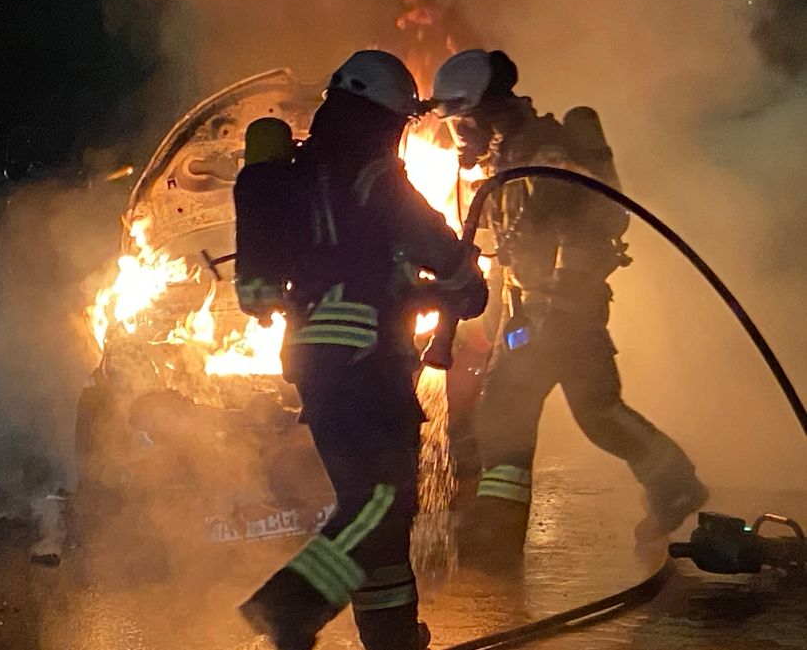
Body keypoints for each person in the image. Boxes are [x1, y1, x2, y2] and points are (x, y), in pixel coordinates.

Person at [235, 50, 487, 650]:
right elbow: (448, 260)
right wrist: (458, 284)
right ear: (384, 119)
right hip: (365, 364)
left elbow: (266, 285)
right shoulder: (377, 179)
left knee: (378, 519)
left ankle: (393, 640)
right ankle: (292, 603)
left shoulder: (295, 173)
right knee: (383, 500)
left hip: (315, 364)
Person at [431, 49, 708, 567]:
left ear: (483, 111)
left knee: (503, 414)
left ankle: (494, 542)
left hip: (556, 310)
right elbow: (515, 247)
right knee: (598, 410)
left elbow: (578, 228)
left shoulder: (542, 151)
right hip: (550, 309)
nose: (459, 135)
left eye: (461, 121)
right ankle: (674, 483)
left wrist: (553, 311)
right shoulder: (513, 155)